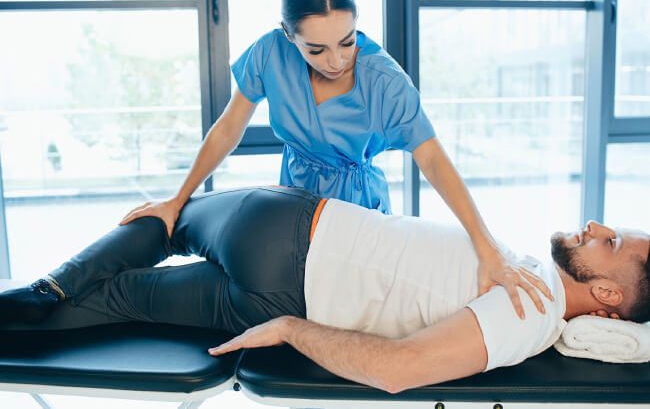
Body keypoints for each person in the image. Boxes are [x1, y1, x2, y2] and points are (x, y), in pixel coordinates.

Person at [117, 0, 548, 317]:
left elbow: (432, 158)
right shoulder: (270, 53)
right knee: (276, 295)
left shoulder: (384, 80)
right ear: (289, 36)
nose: (337, 60)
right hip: (293, 195)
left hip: (355, 208)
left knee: (344, 312)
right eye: (316, 50)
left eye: (347, 41)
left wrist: (486, 245)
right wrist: (177, 199)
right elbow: (228, 130)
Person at [1, 186, 648, 392]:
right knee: (117, 299)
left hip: (287, 239)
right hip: (279, 288)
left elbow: (403, 370)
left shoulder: (531, 310)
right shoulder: (531, 289)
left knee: (168, 217)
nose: (596, 228)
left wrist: (289, 333)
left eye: (611, 243)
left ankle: (45, 287)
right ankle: (43, 297)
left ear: (611, 299)